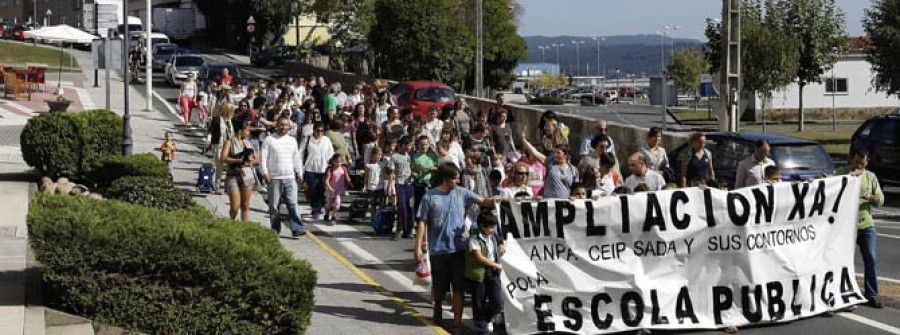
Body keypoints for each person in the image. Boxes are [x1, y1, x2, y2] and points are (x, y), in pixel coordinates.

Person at [414, 163, 501, 332]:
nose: (458, 180)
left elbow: (483, 201)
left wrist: (498, 200)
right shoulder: (430, 197)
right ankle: (437, 309)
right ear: (446, 178)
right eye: (455, 177)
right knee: (439, 289)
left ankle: (456, 323)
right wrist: (418, 246)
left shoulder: (462, 193)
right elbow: (422, 222)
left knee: (458, 288)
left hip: (459, 249)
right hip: (438, 250)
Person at [837, 145, 884, 308]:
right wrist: (849, 180)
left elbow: (880, 200)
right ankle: (844, 293)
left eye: (863, 164)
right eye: (857, 162)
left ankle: (871, 293)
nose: (859, 167)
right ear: (851, 158)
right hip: (845, 225)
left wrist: (870, 197)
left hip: (865, 223)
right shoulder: (841, 173)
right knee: (844, 260)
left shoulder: (870, 177)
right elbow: (831, 190)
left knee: (871, 258)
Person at [260, 116, 307, 237]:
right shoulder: (269, 140)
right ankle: (275, 230)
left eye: (285, 125)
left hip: (290, 177)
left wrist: (299, 172)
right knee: (274, 206)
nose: (283, 127)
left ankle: (297, 228)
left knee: (292, 203)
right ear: (276, 125)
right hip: (274, 178)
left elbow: (296, 158)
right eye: (281, 124)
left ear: (289, 126)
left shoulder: (292, 141)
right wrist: (265, 172)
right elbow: (263, 158)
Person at [464, 210, 503, 335]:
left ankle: (486, 318)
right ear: (481, 226)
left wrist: (502, 247)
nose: (492, 230)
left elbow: (501, 245)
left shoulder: (494, 237)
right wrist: (495, 264)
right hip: (479, 272)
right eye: (489, 227)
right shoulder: (474, 239)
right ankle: (481, 329)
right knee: (479, 301)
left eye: (493, 227)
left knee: (498, 301)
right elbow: (479, 257)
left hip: (493, 272)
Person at [221, 121, 258, 222]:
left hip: (247, 176)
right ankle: (232, 222)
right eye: (247, 130)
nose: (249, 132)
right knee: (235, 207)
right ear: (240, 131)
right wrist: (239, 160)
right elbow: (223, 158)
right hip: (233, 175)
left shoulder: (248, 143)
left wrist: (250, 162)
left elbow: (256, 158)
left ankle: (244, 229)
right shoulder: (229, 142)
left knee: (245, 205)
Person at [301, 123, 334, 220]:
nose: (320, 133)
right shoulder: (307, 140)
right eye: (318, 130)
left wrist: (326, 160)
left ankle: (321, 205)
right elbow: (300, 152)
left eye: (322, 131)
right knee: (313, 189)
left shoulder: (326, 140)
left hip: (322, 168)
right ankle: (315, 209)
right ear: (314, 130)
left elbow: (330, 152)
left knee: (321, 189)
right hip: (310, 168)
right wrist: (299, 168)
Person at [207, 101, 236, 194]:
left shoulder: (231, 121)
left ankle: (228, 186)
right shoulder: (217, 119)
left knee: (230, 167)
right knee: (219, 166)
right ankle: (217, 186)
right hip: (218, 145)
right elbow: (210, 131)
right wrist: (208, 141)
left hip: (229, 146)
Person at [392, 136, 414, 240]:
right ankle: (399, 230)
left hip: (409, 184)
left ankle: (408, 231)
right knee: (401, 208)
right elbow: (391, 172)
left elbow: (409, 168)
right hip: (399, 184)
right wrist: (390, 186)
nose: (410, 147)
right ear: (403, 145)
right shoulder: (395, 157)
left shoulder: (408, 156)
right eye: (409, 145)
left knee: (410, 208)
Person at [411, 136, 439, 213]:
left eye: (426, 144)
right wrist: (419, 169)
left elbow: (438, 168)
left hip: (431, 184)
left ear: (429, 144)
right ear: (418, 145)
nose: (424, 146)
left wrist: (432, 168)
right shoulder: (415, 156)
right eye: (422, 144)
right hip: (419, 184)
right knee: (419, 205)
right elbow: (412, 169)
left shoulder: (433, 156)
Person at [324, 154, 353, 225]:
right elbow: (326, 180)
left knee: (337, 203)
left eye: (340, 162)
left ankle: (334, 216)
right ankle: (327, 213)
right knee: (328, 205)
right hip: (331, 190)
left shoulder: (343, 169)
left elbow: (347, 178)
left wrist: (350, 183)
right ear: (333, 161)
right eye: (337, 162)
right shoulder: (330, 170)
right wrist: (329, 187)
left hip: (339, 190)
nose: (338, 164)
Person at [364, 148, 386, 222]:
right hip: (372, 187)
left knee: (382, 203)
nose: (379, 156)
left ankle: (380, 216)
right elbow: (366, 176)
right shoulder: (368, 165)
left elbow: (385, 175)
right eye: (378, 155)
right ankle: (373, 218)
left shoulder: (382, 164)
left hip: (380, 186)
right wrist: (365, 185)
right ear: (373, 155)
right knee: (373, 203)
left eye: (380, 155)